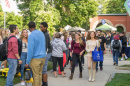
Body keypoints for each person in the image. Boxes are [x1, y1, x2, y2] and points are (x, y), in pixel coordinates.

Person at [25, 22, 46, 86]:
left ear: (29, 27)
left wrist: (27, 61)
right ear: (35, 26)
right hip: (43, 57)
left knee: (35, 76)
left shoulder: (31, 35)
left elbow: (30, 50)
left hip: (35, 58)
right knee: (39, 74)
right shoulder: (41, 33)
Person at [40, 22, 52, 86]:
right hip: (46, 52)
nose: (40, 28)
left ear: (45, 27)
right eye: (40, 27)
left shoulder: (46, 35)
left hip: (46, 53)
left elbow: (46, 46)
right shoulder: (43, 33)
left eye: (41, 27)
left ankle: (45, 83)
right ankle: (44, 82)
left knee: (44, 69)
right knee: (43, 69)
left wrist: (44, 55)